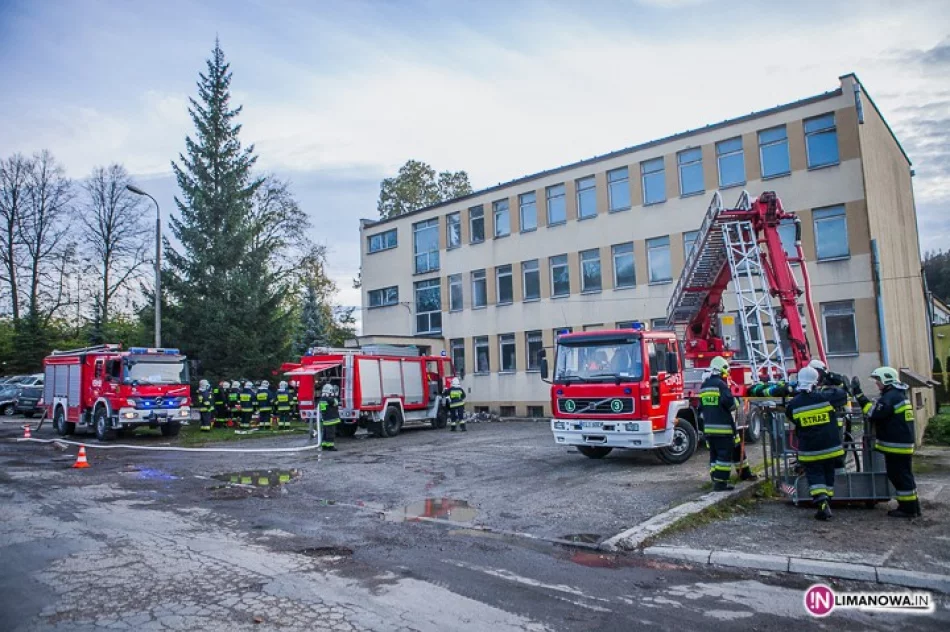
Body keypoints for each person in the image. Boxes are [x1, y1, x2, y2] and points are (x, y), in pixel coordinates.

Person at [853, 367, 921, 518]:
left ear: (886, 379)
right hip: (901, 444)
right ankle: (912, 506)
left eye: (878, 380)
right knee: (904, 476)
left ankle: (908, 509)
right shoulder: (897, 395)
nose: (877, 383)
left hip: (897, 446)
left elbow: (873, 413)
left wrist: (859, 394)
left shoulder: (890, 397)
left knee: (900, 477)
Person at [784, 366, 847, 521]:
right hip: (831, 447)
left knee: (815, 475)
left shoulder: (793, 404)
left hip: (810, 449)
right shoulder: (827, 397)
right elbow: (843, 393)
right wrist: (832, 378)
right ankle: (827, 501)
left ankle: (822, 502)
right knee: (828, 474)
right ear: (816, 381)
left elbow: (793, 419)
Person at [700, 356, 754, 491]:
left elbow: (700, 408)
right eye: (726, 373)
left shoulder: (704, 386)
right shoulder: (721, 385)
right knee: (724, 456)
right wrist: (736, 400)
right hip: (723, 428)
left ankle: (740, 474)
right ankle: (720, 483)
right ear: (721, 371)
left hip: (709, 429)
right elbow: (731, 405)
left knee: (716, 454)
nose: (726, 376)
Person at [810, 359, 851, 474]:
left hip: (835, 424)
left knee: (836, 453)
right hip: (818, 425)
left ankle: (839, 476)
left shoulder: (834, 383)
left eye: (817, 372)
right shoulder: (811, 384)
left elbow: (845, 391)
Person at [317, 383, 340, 451]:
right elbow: (336, 403)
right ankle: (330, 446)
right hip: (331, 420)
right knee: (331, 434)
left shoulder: (322, 399)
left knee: (325, 433)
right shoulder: (329, 399)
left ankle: (324, 445)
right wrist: (334, 396)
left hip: (326, 420)